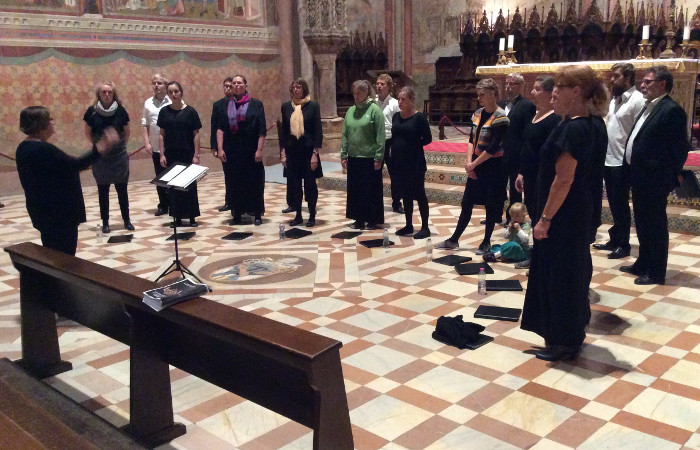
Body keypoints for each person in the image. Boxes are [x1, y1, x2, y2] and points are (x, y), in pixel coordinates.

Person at [521, 65, 608, 362]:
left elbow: (564, 179)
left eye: (561, 86)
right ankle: (566, 334)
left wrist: (545, 219)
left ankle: (564, 341)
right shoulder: (591, 123)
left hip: (564, 215)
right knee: (572, 271)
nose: (554, 91)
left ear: (577, 91)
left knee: (560, 276)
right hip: (579, 210)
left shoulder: (574, 128)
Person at [16, 106, 119, 255]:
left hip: (43, 212)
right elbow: (74, 165)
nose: (52, 122)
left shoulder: (23, 147)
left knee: (53, 253)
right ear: (41, 125)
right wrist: (101, 148)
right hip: (58, 215)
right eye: (50, 119)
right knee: (63, 257)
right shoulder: (43, 149)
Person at [621, 66, 690, 285]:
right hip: (640, 176)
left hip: (655, 179)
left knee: (655, 225)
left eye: (648, 82)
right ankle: (643, 262)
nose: (642, 85)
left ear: (662, 84)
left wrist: (668, 176)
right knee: (642, 222)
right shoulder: (649, 107)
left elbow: (679, 149)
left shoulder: (671, 110)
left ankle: (656, 270)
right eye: (643, 81)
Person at [435, 78, 509, 253]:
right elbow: (470, 140)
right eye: (478, 95)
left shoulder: (501, 118)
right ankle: (453, 240)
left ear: (493, 94)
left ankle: (486, 242)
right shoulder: (476, 114)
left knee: (491, 205)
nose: (479, 98)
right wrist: (469, 163)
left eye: (482, 94)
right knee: (466, 203)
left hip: (493, 167)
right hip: (476, 164)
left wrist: (474, 164)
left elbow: (493, 147)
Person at [592, 63, 646, 259]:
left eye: (616, 76)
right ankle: (614, 238)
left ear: (628, 77)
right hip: (608, 157)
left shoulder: (637, 100)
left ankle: (623, 244)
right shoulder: (615, 100)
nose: (612, 80)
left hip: (622, 160)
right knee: (614, 203)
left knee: (620, 203)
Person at [513, 76, 561, 269]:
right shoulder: (535, 114)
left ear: (549, 93)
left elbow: (549, 152)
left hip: (544, 177)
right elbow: (528, 146)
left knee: (542, 216)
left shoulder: (555, 118)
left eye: (537, 89)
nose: (532, 92)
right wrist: (521, 172)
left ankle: (543, 257)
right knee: (533, 214)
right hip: (530, 176)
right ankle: (537, 254)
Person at [216, 74, 267, 226]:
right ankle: (237, 214)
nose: (236, 86)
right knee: (234, 183)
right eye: (234, 83)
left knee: (254, 182)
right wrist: (220, 148)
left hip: (251, 149)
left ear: (245, 85)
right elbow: (220, 128)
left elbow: (262, 129)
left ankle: (257, 213)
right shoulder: (225, 105)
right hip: (232, 149)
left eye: (239, 83)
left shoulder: (256, 104)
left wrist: (259, 150)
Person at [84, 81, 132, 234]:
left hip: (118, 156)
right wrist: (99, 146)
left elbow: (127, 132)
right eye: (103, 92)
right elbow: (88, 133)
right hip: (100, 156)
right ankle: (105, 223)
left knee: (122, 190)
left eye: (109, 92)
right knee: (103, 190)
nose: (106, 95)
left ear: (113, 94)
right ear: (99, 94)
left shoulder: (121, 111)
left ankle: (127, 220)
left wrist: (118, 145)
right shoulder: (91, 112)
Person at [341, 80, 385, 230]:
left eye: (359, 92)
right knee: (355, 189)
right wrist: (343, 154)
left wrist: (379, 156)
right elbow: (345, 134)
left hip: (370, 158)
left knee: (370, 190)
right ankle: (358, 218)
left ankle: (372, 219)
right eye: (354, 93)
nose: (356, 95)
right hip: (354, 156)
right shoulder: (350, 111)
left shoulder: (375, 110)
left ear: (366, 92)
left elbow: (380, 135)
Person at [157, 81, 202, 227]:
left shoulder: (190, 111)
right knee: (174, 187)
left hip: (187, 153)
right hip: (171, 154)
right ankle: (176, 217)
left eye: (176, 91)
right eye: (170, 92)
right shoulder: (164, 112)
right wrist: (162, 154)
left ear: (181, 92)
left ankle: (192, 217)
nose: (173, 94)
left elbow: (196, 134)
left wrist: (196, 155)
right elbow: (161, 135)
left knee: (189, 186)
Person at [280, 78, 323, 227]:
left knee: (311, 185)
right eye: (294, 88)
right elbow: (284, 132)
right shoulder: (286, 107)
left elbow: (318, 130)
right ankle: (298, 215)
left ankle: (311, 215)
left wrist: (315, 153)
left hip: (308, 151)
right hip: (293, 152)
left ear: (304, 89)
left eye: (299, 87)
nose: (296, 90)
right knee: (295, 185)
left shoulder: (312, 106)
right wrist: (283, 152)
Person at [391, 86, 433, 239]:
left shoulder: (419, 117)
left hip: (414, 162)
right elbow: (395, 136)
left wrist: (413, 144)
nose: (400, 102)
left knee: (419, 193)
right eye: (398, 99)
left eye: (403, 99)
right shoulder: (396, 116)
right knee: (405, 194)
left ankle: (425, 227)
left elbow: (428, 138)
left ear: (411, 100)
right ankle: (409, 225)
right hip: (399, 162)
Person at [499, 73, 536, 226]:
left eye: (512, 84)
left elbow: (527, 132)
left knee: (515, 189)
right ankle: (496, 214)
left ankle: (514, 218)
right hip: (500, 153)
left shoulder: (527, 106)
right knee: (499, 186)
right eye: (507, 84)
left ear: (520, 86)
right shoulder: (500, 104)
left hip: (516, 153)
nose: (508, 87)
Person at [141, 73, 172, 217]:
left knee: (172, 175)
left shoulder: (172, 101)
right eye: (154, 83)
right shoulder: (148, 103)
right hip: (155, 146)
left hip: (171, 146)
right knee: (160, 177)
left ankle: (174, 204)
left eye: (159, 83)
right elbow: (145, 124)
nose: (156, 85)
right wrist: (146, 142)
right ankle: (163, 205)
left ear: (165, 85)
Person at [375, 73, 402, 214]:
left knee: (395, 174)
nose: (378, 86)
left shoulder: (395, 104)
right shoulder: (372, 103)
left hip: (390, 141)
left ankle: (396, 203)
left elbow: (397, 125)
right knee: (375, 173)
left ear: (389, 86)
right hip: (375, 142)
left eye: (382, 84)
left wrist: (394, 145)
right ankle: (375, 201)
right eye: (377, 83)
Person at [211, 77, 234, 212]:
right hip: (223, 146)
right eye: (225, 86)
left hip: (237, 145)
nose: (228, 89)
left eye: (230, 86)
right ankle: (228, 201)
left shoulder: (240, 103)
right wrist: (215, 147)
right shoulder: (218, 105)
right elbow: (215, 127)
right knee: (228, 175)